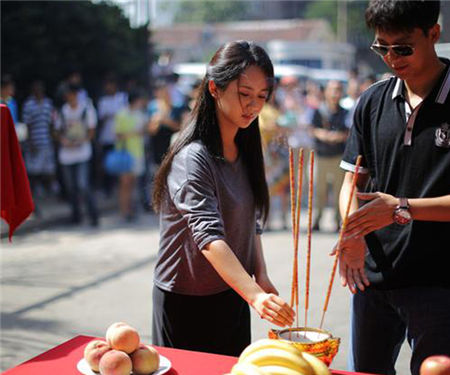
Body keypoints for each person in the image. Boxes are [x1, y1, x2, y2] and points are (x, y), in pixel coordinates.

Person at [151, 41, 295, 356]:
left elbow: (250, 219)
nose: (253, 106)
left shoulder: (245, 149)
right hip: (185, 298)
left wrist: (260, 276)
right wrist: (255, 295)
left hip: (233, 289)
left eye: (261, 97)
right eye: (244, 94)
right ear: (215, 88)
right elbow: (207, 235)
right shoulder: (193, 157)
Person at [337, 1, 450, 375]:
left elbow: (394, 204)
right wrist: (351, 232)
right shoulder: (372, 101)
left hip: (438, 282)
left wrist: (401, 207)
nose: (390, 58)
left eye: (401, 47)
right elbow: (353, 180)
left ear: (433, 33)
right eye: (380, 47)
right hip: (373, 277)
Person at [55, 84, 99, 227]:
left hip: (82, 153)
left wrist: (82, 140)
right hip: (66, 154)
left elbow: (92, 131)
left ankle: (93, 215)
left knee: (83, 185)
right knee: (71, 187)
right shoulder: (62, 111)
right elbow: (56, 131)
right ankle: (76, 215)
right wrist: (64, 140)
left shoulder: (87, 109)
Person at [310, 80, 349, 232]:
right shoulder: (319, 110)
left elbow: (348, 131)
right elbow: (313, 129)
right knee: (320, 190)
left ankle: (338, 221)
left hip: (339, 156)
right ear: (326, 92)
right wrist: (325, 135)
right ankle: (317, 219)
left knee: (339, 190)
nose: (335, 93)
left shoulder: (345, 112)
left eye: (338, 90)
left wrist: (338, 137)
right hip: (322, 155)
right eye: (332, 90)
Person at [114, 89, 149, 222]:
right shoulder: (121, 114)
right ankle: (124, 211)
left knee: (132, 183)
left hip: (137, 153)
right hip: (125, 154)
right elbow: (118, 134)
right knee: (124, 184)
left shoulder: (140, 114)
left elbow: (145, 131)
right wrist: (134, 133)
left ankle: (130, 210)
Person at [22, 81, 57, 203]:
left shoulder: (48, 104)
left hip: (47, 141)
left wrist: (54, 138)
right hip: (35, 143)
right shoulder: (29, 105)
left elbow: (52, 123)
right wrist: (30, 143)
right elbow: (28, 125)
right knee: (34, 171)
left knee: (49, 169)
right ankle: (33, 193)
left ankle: (48, 191)